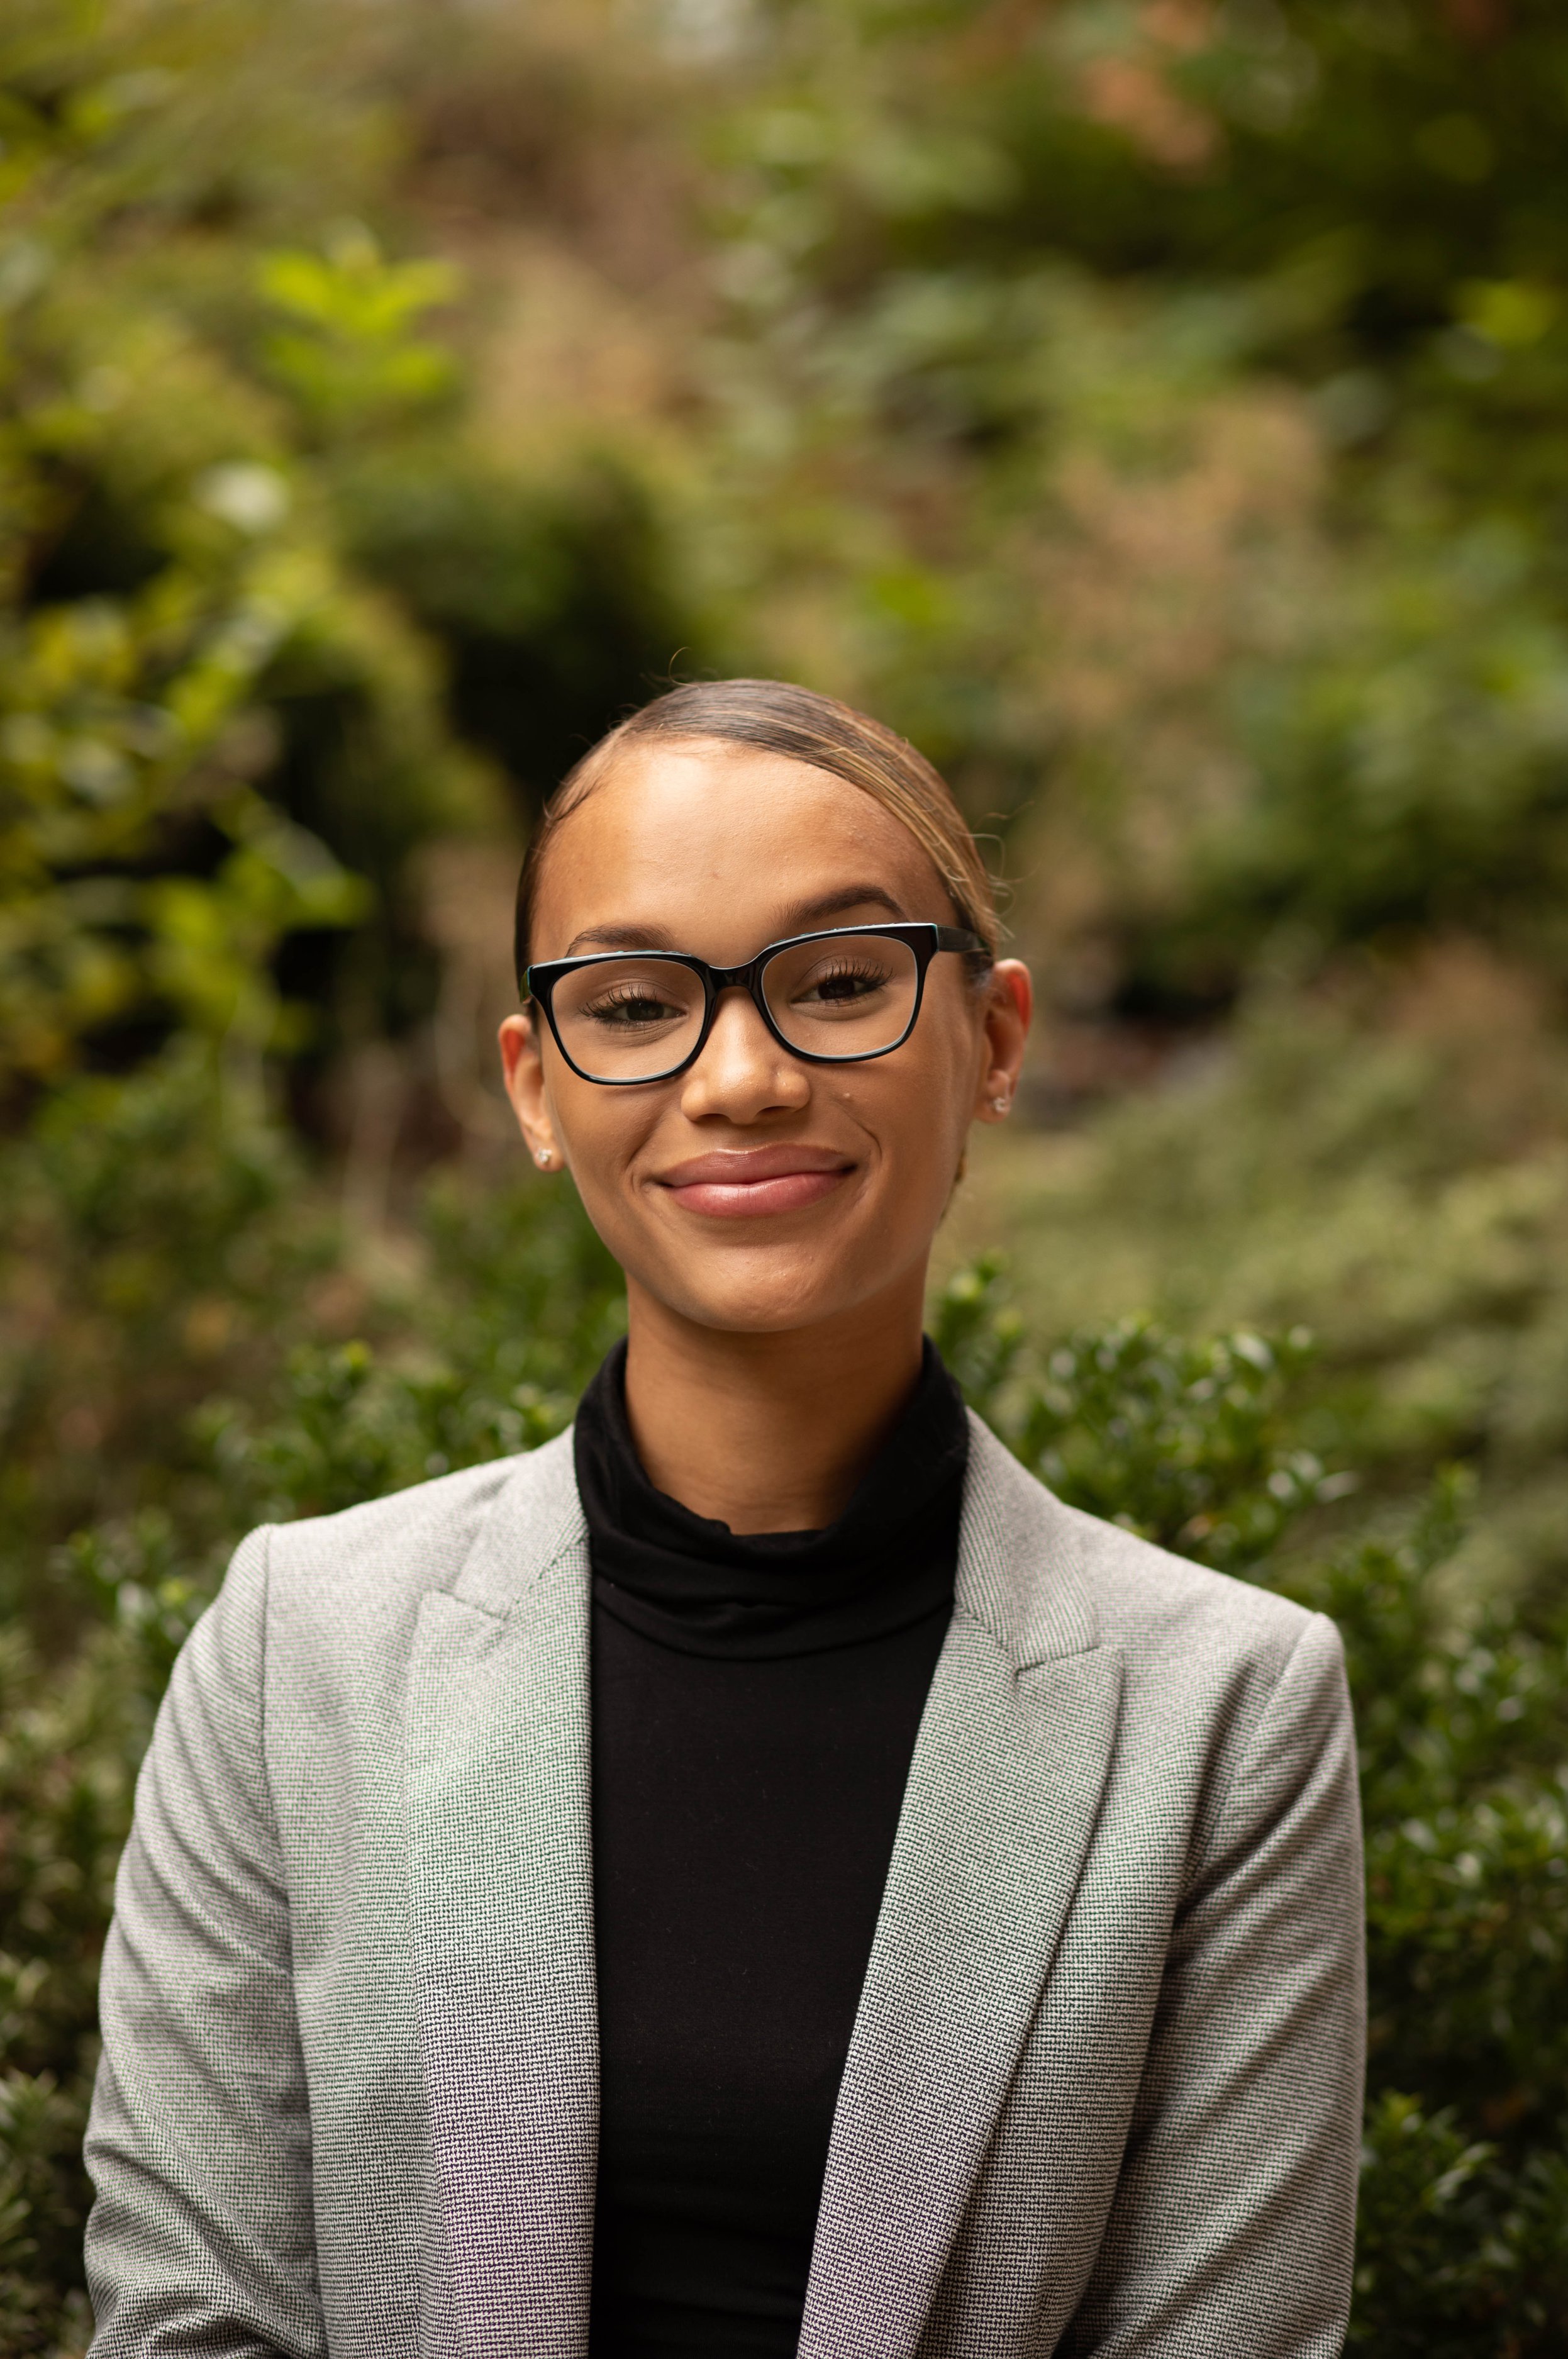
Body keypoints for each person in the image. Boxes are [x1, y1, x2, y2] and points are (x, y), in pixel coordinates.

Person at [84, 679, 1365, 2359]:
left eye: (838, 982)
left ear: (990, 1038)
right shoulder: (298, 1649)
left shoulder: (1218, 1713)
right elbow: (189, 2322)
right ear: (536, 1089)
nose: (741, 1075)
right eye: (633, 1005)